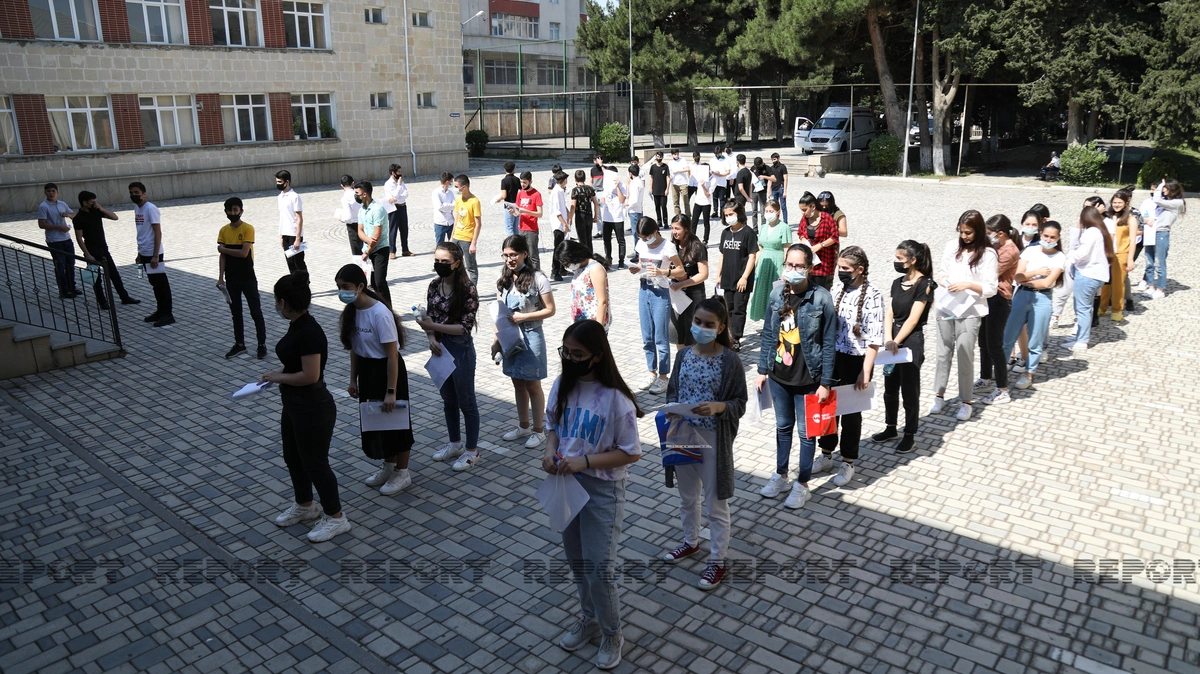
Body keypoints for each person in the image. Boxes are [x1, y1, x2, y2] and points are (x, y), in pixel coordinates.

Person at [545, 319, 642, 671]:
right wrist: (549, 451)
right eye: (566, 352)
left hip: (603, 490)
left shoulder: (616, 400)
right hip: (566, 484)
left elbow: (631, 452)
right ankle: (589, 619)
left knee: (599, 567)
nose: (570, 359)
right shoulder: (562, 385)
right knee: (578, 562)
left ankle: (612, 633)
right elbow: (552, 426)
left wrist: (584, 461)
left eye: (578, 354)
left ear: (597, 356)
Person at [661, 298, 747, 590]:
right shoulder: (683, 355)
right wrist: (672, 409)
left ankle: (717, 561)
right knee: (687, 497)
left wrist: (718, 407)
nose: (701, 328)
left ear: (721, 328)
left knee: (715, 504)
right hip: (683, 435)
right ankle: (691, 541)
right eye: (698, 322)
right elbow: (673, 391)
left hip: (712, 440)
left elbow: (739, 402)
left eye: (709, 324)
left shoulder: (730, 361)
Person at [263, 271, 350, 543]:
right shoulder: (297, 325)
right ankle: (305, 505)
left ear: (283, 302)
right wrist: (275, 374)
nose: (276, 305)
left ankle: (336, 517)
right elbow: (295, 364)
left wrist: (278, 377)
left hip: (313, 407)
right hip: (294, 404)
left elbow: (310, 375)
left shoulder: (310, 331)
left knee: (315, 463)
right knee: (293, 457)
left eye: (277, 300)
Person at [756, 243, 837, 509]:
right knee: (782, 428)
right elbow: (768, 334)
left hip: (809, 379)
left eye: (799, 265)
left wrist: (825, 382)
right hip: (779, 375)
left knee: (806, 434)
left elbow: (828, 343)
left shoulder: (822, 298)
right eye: (789, 264)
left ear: (810, 268)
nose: (793, 269)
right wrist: (762, 370)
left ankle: (802, 484)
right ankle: (781, 475)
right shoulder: (776, 294)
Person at [336, 264, 414, 496]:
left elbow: (392, 355)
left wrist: (391, 391)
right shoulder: (352, 311)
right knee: (378, 423)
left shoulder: (380, 313)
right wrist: (353, 379)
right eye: (339, 287)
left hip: (388, 371)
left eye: (346, 287)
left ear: (360, 286)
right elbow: (354, 349)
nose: (342, 292)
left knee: (397, 422)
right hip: (368, 370)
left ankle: (403, 471)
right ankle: (389, 465)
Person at [814, 245, 884, 487]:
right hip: (834, 357)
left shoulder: (873, 295)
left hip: (857, 360)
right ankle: (825, 454)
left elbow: (875, 339)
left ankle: (848, 461)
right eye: (839, 267)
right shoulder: (837, 289)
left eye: (845, 268)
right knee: (828, 408)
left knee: (851, 414)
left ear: (860, 269)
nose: (841, 271)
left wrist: (866, 370)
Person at [416, 243, 482, 471]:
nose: (440, 265)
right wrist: (431, 338)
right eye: (437, 261)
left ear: (457, 263)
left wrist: (432, 327)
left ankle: (472, 451)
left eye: (445, 261)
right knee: (448, 401)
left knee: (467, 401)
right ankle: (455, 443)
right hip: (440, 348)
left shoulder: (467, 289)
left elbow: (465, 327)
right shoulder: (434, 285)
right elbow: (429, 316)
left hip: (460, 349)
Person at [931, 210, 998, 420]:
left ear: (978, 231)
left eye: (968, 232)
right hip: (947, 305)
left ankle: (966, 401)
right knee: (943, 352)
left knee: (965, 353)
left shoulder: (988, 254)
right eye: (961, 232)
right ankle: (939, 395)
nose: (964, 236)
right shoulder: (952, 246)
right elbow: (942, 272)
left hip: (970, 310)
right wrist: (945, 281)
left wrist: (968, 285)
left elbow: (991, 288)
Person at [871, 240, 935, 454]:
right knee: (890, 388)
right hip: (893, 340)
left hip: (910, 342)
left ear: (912, 260)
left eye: (900, 258)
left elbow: (913, 319)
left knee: (909, 390)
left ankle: (909, 434)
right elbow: (889, 312)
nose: (895, 261)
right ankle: (891, 427)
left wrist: (896, 340)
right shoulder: (897, 282)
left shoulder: (925, 284)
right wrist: (888, 338)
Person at [492, 235, 556, 449]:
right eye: (506, 255)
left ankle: (538, 431)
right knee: (517, 382)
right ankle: (523, 426)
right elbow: (499, 314)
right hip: (510, 337)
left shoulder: (538, 278)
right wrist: (496, 340)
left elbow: (550, 310)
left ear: (525, 254)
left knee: (533, 384)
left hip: (531, 336)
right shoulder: (504, 279)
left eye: (513, 255)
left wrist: (524, 317)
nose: (509, 259)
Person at [1001, 221, 1066, 390]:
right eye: (1046, 236)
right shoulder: (1030, 251)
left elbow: (1047, 283)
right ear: (1041, 234)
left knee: (1035, 339)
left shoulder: (1060, 257)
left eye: (1052, 237)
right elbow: (1017, 276)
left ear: (1058, 238)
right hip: (1021, 295)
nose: (1048, 240)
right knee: (1008, 335)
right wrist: (1037, 272)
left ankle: (1028, 373)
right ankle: (1000, 371)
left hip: (1043, 298)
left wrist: (1027, 280)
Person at [631, 217, 685, 395]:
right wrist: (636, 268)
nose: (644, 240)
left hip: (660, 292)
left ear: (655, 232)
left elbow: (681, 271)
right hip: (644, 289)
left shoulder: (668, 246)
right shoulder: (641, 244)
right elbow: (641, 263)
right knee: (647, 336)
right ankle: (651, 372)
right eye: (641, 237)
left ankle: (663, 376)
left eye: (647, 237)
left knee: (660, 337)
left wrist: (663, 271)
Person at [974, 215, 1020, 405]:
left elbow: (989, 273)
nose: (987, 236)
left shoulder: (1010, 251)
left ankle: (1002, 390)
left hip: (999, 300)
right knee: (983, 341)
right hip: (988, 298)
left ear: (1000, 233)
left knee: (995, 345)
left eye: (989, 233)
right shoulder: (997, 246)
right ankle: (985, 378)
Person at [217, 197, 266, 359]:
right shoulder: (223, 231)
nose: (233, 213)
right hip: (231, 279)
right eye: (230, 210)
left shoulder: (248, 229)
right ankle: (239, 345)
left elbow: (244, 253)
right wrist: (221, 277)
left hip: (248, 277)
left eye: (236, 210)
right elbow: (222, 257)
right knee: (236, 313)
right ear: (226, 212)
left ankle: (261, 344)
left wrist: (223, 249)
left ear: (241, 211)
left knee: (255, 312)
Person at [73, 190, 137, 308]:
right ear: (84, 203)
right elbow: (79, 238)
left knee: (114, 274)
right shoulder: (78, 218)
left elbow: (115, 217)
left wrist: (101, 209)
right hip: (91, 250)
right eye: (92, 202)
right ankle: (102, 302)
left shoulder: (96, 212)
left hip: (103, 248)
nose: (95, 204)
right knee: (96, 278)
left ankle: (124, 297)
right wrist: (87, 254)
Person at [1063, 206, 1113, 355]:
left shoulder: (1091, 232)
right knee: (1085, 307)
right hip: (1096, 275)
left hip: (1087, 274)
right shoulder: (1100, 231)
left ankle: (1082, 341)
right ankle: (1080, 337)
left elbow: (1082, 253)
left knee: (1082, 308)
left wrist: (1069, 257)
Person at [715, 201, 758, 350]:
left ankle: (736, 338)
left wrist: (744, 277)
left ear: (739, 213)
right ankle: (727, 335)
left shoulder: (748, 233)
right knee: (728, 309)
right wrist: (718, 275)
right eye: (726, 215)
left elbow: (752, 256)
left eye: (731, 214)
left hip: (742, 279)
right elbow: (722, 255)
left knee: (739, 309)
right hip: (727, 278)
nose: (728, 217)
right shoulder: (725, 233)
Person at [130, 182, 174, 327]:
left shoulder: (150, 208)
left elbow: (157, 232)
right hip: (144, 252)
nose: (133, 195)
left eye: (136, 192)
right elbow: (141, 231)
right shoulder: (137, 208)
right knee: (154, 284)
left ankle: (167, 314)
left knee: (161, 285)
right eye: (131, 192)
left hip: (153, 253)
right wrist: (139, 253)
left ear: (144, 194)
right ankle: (160, 311)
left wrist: (155, 255)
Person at [668, 215, 709, 352]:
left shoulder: (697, 246)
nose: (674, 232)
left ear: (686, 228)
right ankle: (682, 358)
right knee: (678, 332)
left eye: (677, 228)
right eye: (672, 228)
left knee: (694, 332)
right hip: (677, 294)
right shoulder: (672, 246)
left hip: (694, 293)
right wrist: (673, 275)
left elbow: (703, 274)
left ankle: (695, 360)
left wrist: (682, 283)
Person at [1142, 178, 1187, 299]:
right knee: (1149, 261)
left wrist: (1159, 186)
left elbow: (1156, 199)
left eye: (1165, 188)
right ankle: (1150, 286)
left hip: (1161, 233)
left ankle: (1160, 289)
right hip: (1151, 231)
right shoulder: (1166, 201)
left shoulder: (1177, 202)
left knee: (1159, 262)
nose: (1162, 190)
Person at [748, 200, 793, 323]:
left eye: (771, 211)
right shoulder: (763, 227)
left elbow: (787, 248)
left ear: (777, 212)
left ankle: (776, 320)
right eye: (766, 211)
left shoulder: (784, 227)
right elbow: (760, 247)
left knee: (776, 292)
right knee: (762, 292)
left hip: (777, 261)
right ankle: (765, 320)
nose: (768, 213)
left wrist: (786, 268)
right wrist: (754, 265)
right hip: (764, 262)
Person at [1099, 189, 1137, 322]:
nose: (1116, 205)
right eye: (1114, 202)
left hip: (1121, 254)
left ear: (1126, 203)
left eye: (1119, 202)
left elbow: (1133, 240)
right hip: (1106, 253)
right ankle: (1102, 307)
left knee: (1118, 283)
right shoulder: (1108, 217)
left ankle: (1117, 309)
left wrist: (1130, 259)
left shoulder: (1131, 219)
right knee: (1104, 282)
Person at [557, 239, 611, 331]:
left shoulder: (595, 268)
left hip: (593, 325)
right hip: (580, 323)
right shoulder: (579, 268)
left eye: (567, 264)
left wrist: (598, 330)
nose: (567, 267)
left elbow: (602, 301)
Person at [37, 183, 79, 299]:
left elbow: (74, 215)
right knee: (60, 265)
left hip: (66, 238)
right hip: (54, 240)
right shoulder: (43, 206)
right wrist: (59, 227)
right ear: (45, 192)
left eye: (53, 191)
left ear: (57, 192)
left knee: (71, 263)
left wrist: (68, 215)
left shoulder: (62, 204)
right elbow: (42, 224)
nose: (51, 193)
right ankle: (64, 290)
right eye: (49, 191)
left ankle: (72, 286)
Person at [354, 180, 392, 308]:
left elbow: (377, 236)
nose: (356, 195)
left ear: (364, 194)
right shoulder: (362, 210)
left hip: (380, 249)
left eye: (357, 193)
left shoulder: (377, 209)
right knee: (373, 283)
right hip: (368, 249)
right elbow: (360, 230)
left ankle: (388, 309)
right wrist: (367, 240)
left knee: (380, 281)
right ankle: (378, 306)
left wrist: (367, 251)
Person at [797, 192, 839, 290]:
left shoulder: (827, 218)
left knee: (819, 290)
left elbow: (835, 237)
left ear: (813, 206)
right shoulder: (804, 219)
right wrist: (803, 239)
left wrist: (821, 245)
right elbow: (800, 232)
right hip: (808, 262)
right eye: (801, 210)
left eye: (804, 210)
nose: (803, 213)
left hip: (822, 262)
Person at [451, 174, 482, 286]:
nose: (454, 189)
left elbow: (478, 224)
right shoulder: (458, 199)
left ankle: (472, 291)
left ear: (464, 187)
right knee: (454, 265)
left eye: (456, 186)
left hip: (467, 239)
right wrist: (452, 237)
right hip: (456, 237)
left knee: (471, 267)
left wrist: (473, 243)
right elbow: (456, 219)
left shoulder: (474, 201)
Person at [510, 171, 544, 271]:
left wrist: (525, 211)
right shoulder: (520, 193)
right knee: (522, 255)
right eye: (521, 182)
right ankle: (525, 275)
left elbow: (540, 213)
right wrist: (513, 212)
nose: (522, 184)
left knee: (533, 255)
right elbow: (518, 211)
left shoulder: (536, 194)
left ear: (530, 181)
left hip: (532, 229)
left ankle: (536, 276)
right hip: (521, 228)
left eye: (524, 182)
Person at [276, 170, 306, 272]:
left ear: (287, 182)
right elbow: (282, 217)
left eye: (280, 182)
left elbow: (299, 218)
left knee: (298, 263)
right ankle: (293, 281)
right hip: (285, 234)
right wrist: (281, 236)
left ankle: (304, 281)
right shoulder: (280, 197)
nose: (278, 184)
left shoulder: (295, 197)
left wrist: (298, 238)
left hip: (294, 234)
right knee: (290, 263)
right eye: (277, 182)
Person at [599, 166, 628, 270]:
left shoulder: (622, 185)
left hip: (617, 217)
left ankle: (621, 261)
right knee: (606, 240)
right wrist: (604, 200)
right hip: (607, 217)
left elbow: (622, 199)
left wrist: (617, 187)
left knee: (620, 240)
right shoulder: (606, 186)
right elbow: (602, 199)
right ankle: (608, 259)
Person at [382, 163, 412, 258]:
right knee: (393, 229)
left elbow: (406, 194)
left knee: (404, 229)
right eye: (398, 172)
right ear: (393, 173)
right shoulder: (388, 184)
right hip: (394, 208)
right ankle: (392, 251)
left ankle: (405, 250)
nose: (400, 173)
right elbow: (394, 196)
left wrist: (397, 197)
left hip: (402, 206)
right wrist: (398, 186)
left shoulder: (401, 182)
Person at [569, 170, 599, 257]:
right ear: (585, 179)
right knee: (589, 239)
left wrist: (570, 218)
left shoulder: (575, 190)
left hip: (580, 216)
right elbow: (596, 204)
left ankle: (583, 258)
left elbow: (573, 206)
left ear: (575, 179)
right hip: (589, 215)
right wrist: (596, 216)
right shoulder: (590, 189)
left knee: (582, 239)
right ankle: (590, 257)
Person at [549, 171, 571, 281]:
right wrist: (564, 224)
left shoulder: (560, 191)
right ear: (564, 180)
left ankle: (562, 268)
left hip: (562, 222)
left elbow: (562, 206)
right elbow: (557, 211)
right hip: (558, 225)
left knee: (562, 247)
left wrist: (568, 214)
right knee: (558, 248)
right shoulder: (556, 192)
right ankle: (555, 271)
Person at [622, 164, 645, 263]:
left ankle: (638, 253)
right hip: (637, 209)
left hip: (634, 210)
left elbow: (634, 199)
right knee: (637, 232)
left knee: (636, 233)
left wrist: (627, 204)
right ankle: (637, 251)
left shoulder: (636, 183)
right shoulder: (637, 182)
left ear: (630, 173)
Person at [689, 153, 713, 243]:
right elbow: (693, 170)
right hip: (698, 202)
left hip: (706, 203)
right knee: (694, 221)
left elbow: (708, 194)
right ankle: (692, 239)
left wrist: (703, 186)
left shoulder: (713, 180)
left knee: (706, 222)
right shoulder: (699, 176)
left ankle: (705, 240)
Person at [338, 174, 362, 256]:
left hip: (353, 226)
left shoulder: (345, 198)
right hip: (363, 223)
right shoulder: (359, 194)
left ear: (342, 185)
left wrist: (341, 219)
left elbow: (348, 217)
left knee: (356, 251)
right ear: (353, 183)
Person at [496, 161, 521, 237]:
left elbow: (504, 195)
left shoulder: (504, 181)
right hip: (516, 204)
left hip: (508, 205)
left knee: (509, 227)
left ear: (504, 169)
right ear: (514, 169)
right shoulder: (517, 179)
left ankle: (512, 243)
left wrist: (498, 199)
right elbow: (521, 191)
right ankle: (517, 242)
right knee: (515, 226)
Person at [431, 172, 456, 246]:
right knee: (440, 245)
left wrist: (445, 205)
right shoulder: (436, 192)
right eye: (451, 181)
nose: (452, 183)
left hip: (450, 222)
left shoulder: (450, 193)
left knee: (453, 244)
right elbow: (439, 207)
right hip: (440, 222)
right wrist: (449, 207)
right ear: (447, 182)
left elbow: (455, 205)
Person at [648, 151, 670, 228]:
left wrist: (667, 189)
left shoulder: (665, 167)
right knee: (657, 206)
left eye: (660, 157)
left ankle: (665, 221)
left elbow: (668, 178)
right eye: (657, 156)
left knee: (663, 206)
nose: (658, 158)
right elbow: (651, 178)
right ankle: (659, 221)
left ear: (662, 157)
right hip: (655, 189)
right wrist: (650, 188)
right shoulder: (653, 167)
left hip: (663, 190)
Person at [668, 148, 691, 217]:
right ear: (672, 155)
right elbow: (669, 174)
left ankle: (688, 215)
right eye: (675, 154)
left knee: (685, 200)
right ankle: (678, 215)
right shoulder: (670, 163)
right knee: (675, 201)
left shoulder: (682, 160)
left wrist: (678, 171)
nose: (676, 156)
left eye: (677, 154)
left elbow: (687, 169)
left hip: (683, 182)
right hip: (674, 183)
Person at [751, 157, 772, 230]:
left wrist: (764, 177)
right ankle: (755, 228)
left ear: (762, 163)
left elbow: (772, 178)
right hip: (754, 191)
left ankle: (763, 227)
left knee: (763, 210)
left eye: (759, 165)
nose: (757, 167)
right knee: (754, 210)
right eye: (756, 166)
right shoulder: (753, 168)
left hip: (762, 191)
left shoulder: (767, 168)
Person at [711, 146, 731, 220]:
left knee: (722, 198)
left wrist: (721, 175)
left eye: (718, 154)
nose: (717, 155)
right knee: (714, 197)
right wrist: (711, 172)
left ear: (721, 153)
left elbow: (728, 171)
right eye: (716, 154)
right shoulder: (712, 160)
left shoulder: (725, 160)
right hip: (714, 181)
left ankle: (722, 212)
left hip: (722, 182)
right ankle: (715, 211)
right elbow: (710, 168)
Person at [770, 153, 789, 224]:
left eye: (774, 159)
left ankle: (785, 222)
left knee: (783, 206)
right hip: (774, 189)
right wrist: (769, 190)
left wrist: (785, 191)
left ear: (778, 158)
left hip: (781, 188)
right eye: (772, 159)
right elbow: (770, 179)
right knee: (775, 207)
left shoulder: (782, 167)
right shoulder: (771, 168)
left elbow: (786, 178)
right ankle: (776, 220)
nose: (773, 161)